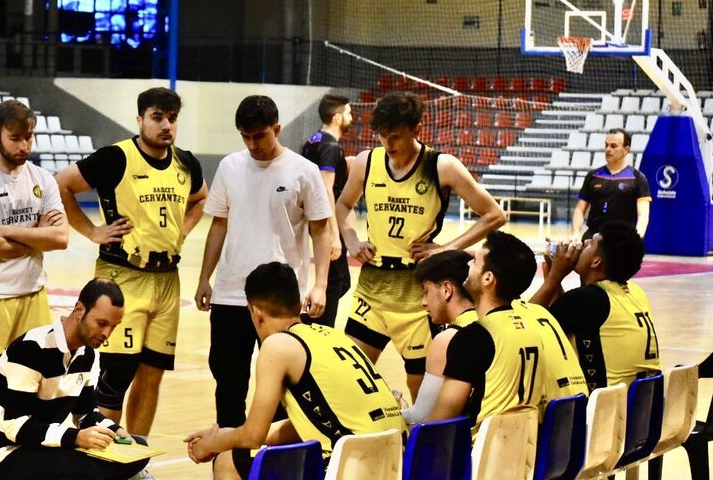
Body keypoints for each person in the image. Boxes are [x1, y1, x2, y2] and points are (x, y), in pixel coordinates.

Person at [57, 86, 207, 480]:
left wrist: (184, 230)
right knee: (115, 379)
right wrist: (91, 231)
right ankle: (103, 467)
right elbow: (62, 184)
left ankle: (133, 464)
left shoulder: (186, 163)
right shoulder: (115, 157)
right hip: (123, 279)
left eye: (172, 117)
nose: (166, 125)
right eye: (158, 116)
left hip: (166, 281)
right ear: (140, 119)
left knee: (151, 376)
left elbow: (201, 199)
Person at [185, 262, 404, 480]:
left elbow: (253, 436)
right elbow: (306, 424)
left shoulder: (278, 345)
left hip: (353, 476)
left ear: (255, 312)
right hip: (395, 469)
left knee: (227, 462)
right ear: (298, 303)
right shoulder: (333, 336)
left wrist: (212, 445)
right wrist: (225, 434)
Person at [336, 94, 505, 400]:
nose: (388, 143)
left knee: (421, 392)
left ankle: (414, 442)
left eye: (396, 135)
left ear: (417, 129)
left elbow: (495, 214)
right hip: (372, 288)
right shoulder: (366, 162)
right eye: (382, 135)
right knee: (349, 379)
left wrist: (447, 249)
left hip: (418, 293)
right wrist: (351, 240)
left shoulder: (442, 166)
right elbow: (343, 205)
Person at [196, 95, 332, 428]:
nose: (253, 144)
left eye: (260, 135)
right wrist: (204, 278)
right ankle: (229, 464)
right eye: (246, 136)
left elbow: (321, 231)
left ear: (277, 129)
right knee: (228, 385)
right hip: (231, 295)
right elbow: (218, 225)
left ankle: (280, 462)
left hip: (282, 300)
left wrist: (320, 285)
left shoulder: (305, 170)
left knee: (289, 386)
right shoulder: (230, 166)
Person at [0, 278, 148, 480]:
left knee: (138, 452)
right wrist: (75, 438)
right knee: (83, 469)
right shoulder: (31, 349)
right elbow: (15, 427)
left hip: (42, 449)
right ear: (79, 310)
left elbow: (85, 414)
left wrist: (113, 430)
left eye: (113, 326)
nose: (106, 334)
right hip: (4, 456)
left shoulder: (87, 355)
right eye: (101, 323)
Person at [427, 231, 586, 435]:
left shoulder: (473, 337)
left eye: (474, 261)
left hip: (481, 458)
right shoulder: (533, 329)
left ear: (488, 278)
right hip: (526, 449)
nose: (468, 265)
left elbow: (440, 422)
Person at [0, 100, 68, 401]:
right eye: (15, 138)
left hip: (33, 295)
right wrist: (37, 236)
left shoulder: (43, 178)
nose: (24, 145)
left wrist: (7, 231)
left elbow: (60, 238)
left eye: (29, 137)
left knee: (38, 384)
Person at [531, 221, 660, 391]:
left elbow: (525, 329)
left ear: (596, 262)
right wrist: (554, 279)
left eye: (590, 243)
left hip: (601, 411)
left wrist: (554, 278)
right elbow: (572, 319)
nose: (583, 243)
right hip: (639, 408)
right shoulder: (634, 292)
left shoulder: (588, 299)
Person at [403, 249, 476, 425]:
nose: (423, 302)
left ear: (446, 289)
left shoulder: (448, 339)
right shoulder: (491, 321)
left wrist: (389, 410)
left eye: (426, 291)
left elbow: (420, 418)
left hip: (464, 443)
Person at [300, 93, 353, 327]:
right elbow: (325, 189)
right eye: (349, 113)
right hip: (322, 224)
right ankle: (318, 331)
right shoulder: (331, 146)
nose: (352, 117)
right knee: (336, 281)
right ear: (338, 117)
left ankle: (310, 321)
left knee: (340, 282)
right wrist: (333, 235)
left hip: (309, 219)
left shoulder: (312, 141)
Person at [572, 128, 651, 242]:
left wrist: (636, 239)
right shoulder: (593, 176)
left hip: (622, 240)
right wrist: (575, 233)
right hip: (592, 238)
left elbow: (643, 215)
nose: (608, 149)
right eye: (606, 145)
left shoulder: (638, 178)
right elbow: (580, 209)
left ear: (626, 150)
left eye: (613, 146)